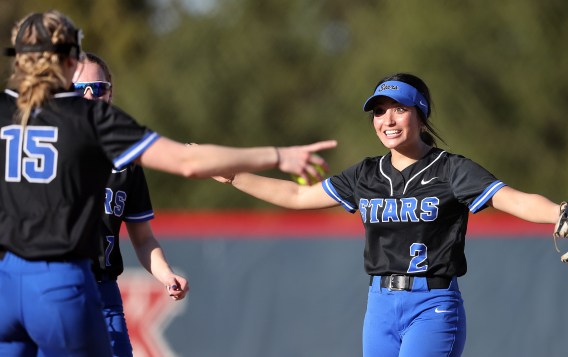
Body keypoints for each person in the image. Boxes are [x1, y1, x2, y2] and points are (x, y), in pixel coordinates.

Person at [0, 10, 336, 357]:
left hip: (5, 287)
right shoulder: (89, 117)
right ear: (72, 59)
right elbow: (187, 162)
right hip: (60, 283)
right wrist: (277, 155)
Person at [214, 72, 562, 356]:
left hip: (432, 304)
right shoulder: (366, 174)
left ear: (421, 116)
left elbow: (513, 200)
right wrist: (232, 174)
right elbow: (296, 194)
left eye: (399, 108)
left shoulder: (451, 169)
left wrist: (561, 213)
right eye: (379, 111)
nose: (387, 120)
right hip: (379, 305)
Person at [73, 52, 188, 356]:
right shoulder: (43, 153)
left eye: (97, 88)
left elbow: (143, 237)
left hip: (103, 289)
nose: (88, 95)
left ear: (110, 94)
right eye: (77, 88)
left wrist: (166, 275)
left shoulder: (127, 161)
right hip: (54, 283)